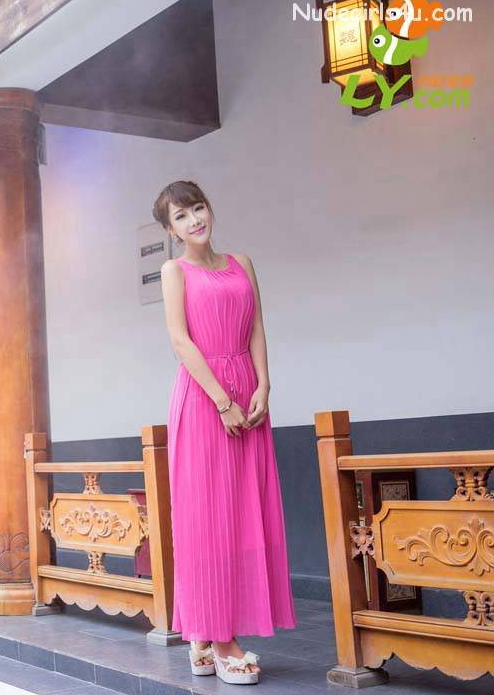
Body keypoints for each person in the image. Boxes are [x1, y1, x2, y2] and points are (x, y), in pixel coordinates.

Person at [154, 181, 295, 686]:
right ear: (171, 230)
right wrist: (221, 401)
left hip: (248, 396)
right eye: (181, 216)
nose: (194, 220)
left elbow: (256, 327)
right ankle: (220, 637)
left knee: (243, 515)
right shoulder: (174, 271)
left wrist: (264, 385)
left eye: (198, 208)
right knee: (207, 517)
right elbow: (179, 340)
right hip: (204, 398)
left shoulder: (242, 263)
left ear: (209, 209)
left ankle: (202, 634)